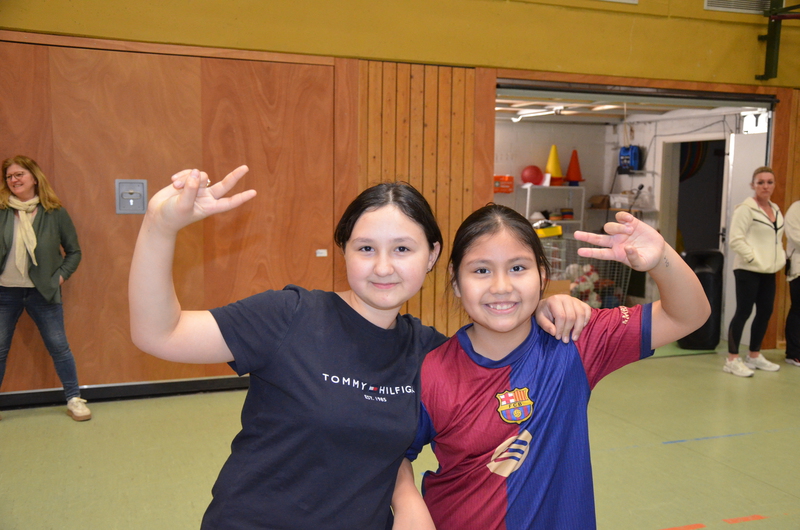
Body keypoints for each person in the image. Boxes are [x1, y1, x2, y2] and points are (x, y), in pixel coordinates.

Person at [128, 166, 589, 529]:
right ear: (344, 251)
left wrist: (543, 307)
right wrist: (159, 227)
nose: (383, 267)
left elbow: (406, 446)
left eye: (403, 249)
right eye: (365, 248)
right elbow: (158, 333)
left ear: (432, 255)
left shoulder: (430, 353)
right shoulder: (289, 315)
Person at [405, 205, 710, 530]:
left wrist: (662, 259)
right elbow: (392, 455)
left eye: (518, 268)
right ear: (455, 280)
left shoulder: (575, 339)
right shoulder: (431, 370)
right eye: (481, 270)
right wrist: (410, 508)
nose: (501, 286)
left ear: (542, 275)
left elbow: (687, 316)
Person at [0, 156, 90, 421]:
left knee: (59, 347)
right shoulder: (2, 211)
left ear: (34, 177)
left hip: (44, 293)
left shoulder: (54, 212)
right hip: (5, 292)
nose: (13, 180)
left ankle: (74, 399)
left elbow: (74, 252)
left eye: (19, 174)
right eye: (9, 176)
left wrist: (58, 279)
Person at [725, 166, 785, 377]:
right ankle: (732, 359)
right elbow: (735, 240)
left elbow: (776, 240)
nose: (765, 186)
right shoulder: (746, 209)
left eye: (769, 182)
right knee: (743, 312)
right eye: (761, 182)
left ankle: (754, 355)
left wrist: (778, 259)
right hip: (748, 270)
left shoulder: (776, 209)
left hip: (769, 270)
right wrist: (752, 258)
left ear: (774, 185)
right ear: (753, 185)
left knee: (765, 312)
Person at [784, 199, 800, 367]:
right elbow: (795, 236)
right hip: (798, 270)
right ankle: (794, 353)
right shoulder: (796, 209)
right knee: (798, 310)